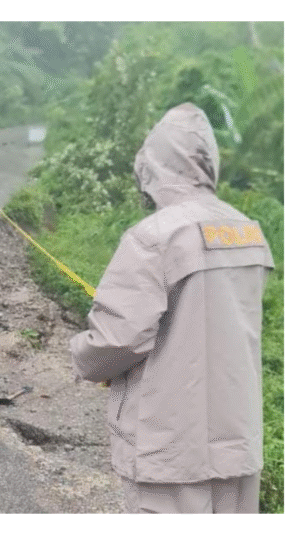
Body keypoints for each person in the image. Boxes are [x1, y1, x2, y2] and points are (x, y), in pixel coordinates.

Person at [69, 103, 274, 513]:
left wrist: (81, 352)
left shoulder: (154, 237)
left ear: (154, 164)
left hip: (170, 448)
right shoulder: (249, 232)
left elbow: (117, 340)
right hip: (238, 444)